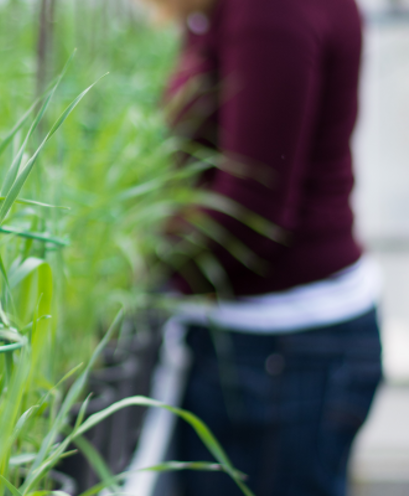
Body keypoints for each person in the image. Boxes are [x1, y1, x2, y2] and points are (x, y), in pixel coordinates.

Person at [154, 0, 384, 495]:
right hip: (280, 351)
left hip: (282, 356)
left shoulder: (269, 8)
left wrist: (132, 262)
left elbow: (249, 215)